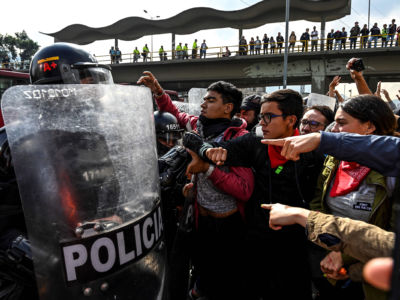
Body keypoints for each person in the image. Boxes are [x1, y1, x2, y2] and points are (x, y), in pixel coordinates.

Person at [0, 42, 115, 300]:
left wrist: (118, 218)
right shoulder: (12, 143)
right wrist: (41, 262)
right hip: (38, 283)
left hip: (95, 266)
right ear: (60, 87)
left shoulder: (93, 138)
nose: (98, 93)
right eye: (89, 82)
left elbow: (107, 195)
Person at [184, 89, 324, 300]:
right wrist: (207, 152)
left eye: (269, 117)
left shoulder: (314, 154)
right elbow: (190, 139)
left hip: (294, 248)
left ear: (291, 120)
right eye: (260, 117)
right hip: (256, 242)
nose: (262, 123)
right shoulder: (254, 143)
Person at [137, 71, 254, 300]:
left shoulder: (239, 139)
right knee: (201, 274)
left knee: (225, 282)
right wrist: (158, 91)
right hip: (200, 220)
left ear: (228, 108)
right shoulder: (198, 126)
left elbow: (244, 190)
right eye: (204, 99)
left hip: (228, 226)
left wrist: (207, 170)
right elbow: (176, 114)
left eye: (211, 100)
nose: (203, 104)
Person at [309, 95, 397, 300]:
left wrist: (345, 254)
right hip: (329, 261)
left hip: (372, 273)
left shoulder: (393, 171)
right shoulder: (334, 159)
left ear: (369, 127)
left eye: (341, 123)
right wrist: (330, 245)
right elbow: (317, 203)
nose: (333, 130)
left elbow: (391, 234)